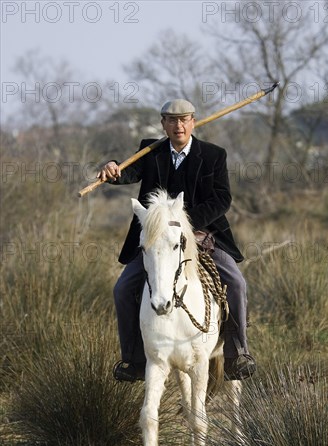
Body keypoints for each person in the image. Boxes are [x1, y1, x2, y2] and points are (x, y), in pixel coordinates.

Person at [98, 99, 256, 383]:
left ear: (193, 122)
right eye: (171, 120)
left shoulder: (214, 155)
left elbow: (222, 199)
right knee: (122, 288)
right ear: (163, 125)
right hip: (157, 240)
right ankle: (133, 361)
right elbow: (128, 173)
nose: (178, 125)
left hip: (203, 235)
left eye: (184, 119)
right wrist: (112, 168)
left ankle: (237, 355)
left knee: (236, 282)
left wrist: (184, 223)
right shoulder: (151, 150)